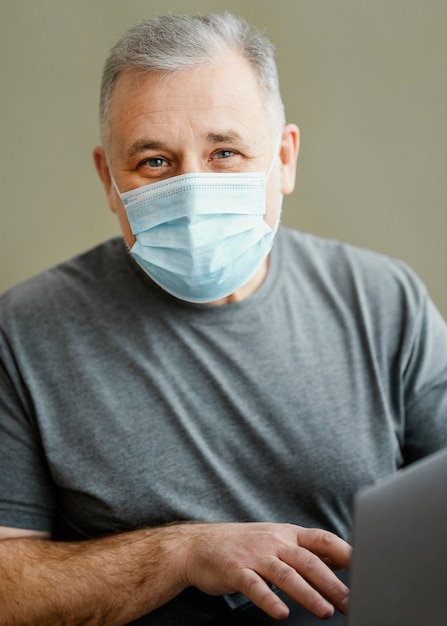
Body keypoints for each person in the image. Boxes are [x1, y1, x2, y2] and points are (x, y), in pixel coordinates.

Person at [0, 12, 446, 626]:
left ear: (283, 159)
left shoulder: (383, 301)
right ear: (109, 180)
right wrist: (180, 552)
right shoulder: (24, 333)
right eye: (154, 162)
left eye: (225, 152)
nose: (193, 190)